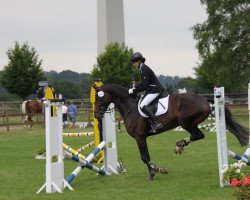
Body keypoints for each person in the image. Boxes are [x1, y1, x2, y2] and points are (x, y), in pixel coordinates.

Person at [128, 52, 164, 133]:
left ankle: (156, 123)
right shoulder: (141, 68)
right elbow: (143, 83)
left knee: (142, 105)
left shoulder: (144, 69)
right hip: (151, 90)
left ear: (139, 61)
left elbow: (144, 86)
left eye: (134, 63)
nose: (133, 65)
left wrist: (133, 90)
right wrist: (135, 86)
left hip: (155, 90)